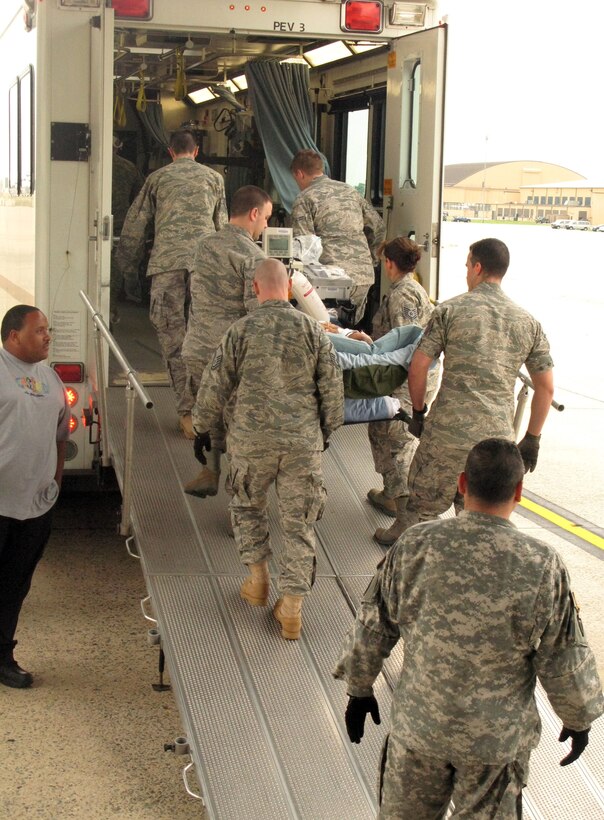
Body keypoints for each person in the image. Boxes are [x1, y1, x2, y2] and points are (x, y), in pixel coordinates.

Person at [335, 438, 604, 818]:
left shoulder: (415, 544)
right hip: (493, 748)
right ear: (519, 491)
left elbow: (373, 624)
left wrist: (359, 689)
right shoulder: (542, 564)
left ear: (462, 484)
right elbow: (563, 653)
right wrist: (578, 718)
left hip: (420, 731)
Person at [191, 259, 344, 640]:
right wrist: (323, 431)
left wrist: (200, 426)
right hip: (300, 443)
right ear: (289, 286)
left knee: (247, 506)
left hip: (251, 442)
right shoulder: (313, 330)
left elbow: (214, 386)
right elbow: (333, 391)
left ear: (255, 289)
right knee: (299, 523)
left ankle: (258, 581)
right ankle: (292, 606)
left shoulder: (240, 331)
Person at [375, 237, 554, 546]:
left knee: (420, 514)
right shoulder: (528, 323)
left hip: (445, 436)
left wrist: (418, 413)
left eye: (467, 265)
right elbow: (546, 388)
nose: (466, 272)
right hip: (494, 442)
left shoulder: (450, 310)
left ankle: (403, 562)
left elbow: (419, 366)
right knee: (481, 523)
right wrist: (532, 439)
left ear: (478, 267)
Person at [115, 129, 228, 439]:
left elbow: (136, 224)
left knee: (173, 339)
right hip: (205, 269)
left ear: (169, 151)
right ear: (197, 150)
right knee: (206, 338)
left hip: (167, 267)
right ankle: (211, 410)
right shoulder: (214, 179)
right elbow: (223, 229)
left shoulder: (157, 179)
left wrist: (123, 266)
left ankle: (187, 412)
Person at [182, 185, 272, 498]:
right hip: (229, 356)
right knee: (240, 428)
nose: (266, 227)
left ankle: (209, 471)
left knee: (208, 414)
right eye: (266, 219)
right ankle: (240, 503)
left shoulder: (203, 245)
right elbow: (258, 312)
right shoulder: (252, 256)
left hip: (196, 348)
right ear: (254, 213)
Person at [0, 305, 70, 688]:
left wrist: (55, 480)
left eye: (49, 329)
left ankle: (3, 656)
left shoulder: (51, 379)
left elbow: (61, 436)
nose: (48, 336)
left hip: (35, 505)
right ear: (13, 336)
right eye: (40, 330)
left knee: (15, 583)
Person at [366, 237, 439, 519]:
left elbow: (407, 341)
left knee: (395, 436)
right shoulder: (408, 288)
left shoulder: (403, 295)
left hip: (409, 378)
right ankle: (392, 491)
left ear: (389, 263)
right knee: (381, 429)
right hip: (410, 374)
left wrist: (369, 350)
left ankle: (402, 507)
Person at [290, 149, 385, 326]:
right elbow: (378, 227)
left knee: (326, 330)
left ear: (299, 173)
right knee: (350, 329)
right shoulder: (350, 192)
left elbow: (304, 247)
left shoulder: (304, 199)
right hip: (362, 277)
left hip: (328, 281)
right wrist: (371, 259)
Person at [110, 136, 144, 324]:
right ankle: (111, 308)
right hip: (119, 226)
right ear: (119, 146)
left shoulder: (93, 164)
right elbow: (141, 198)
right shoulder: (129, 167)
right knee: (116, 268)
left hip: (92, 223)